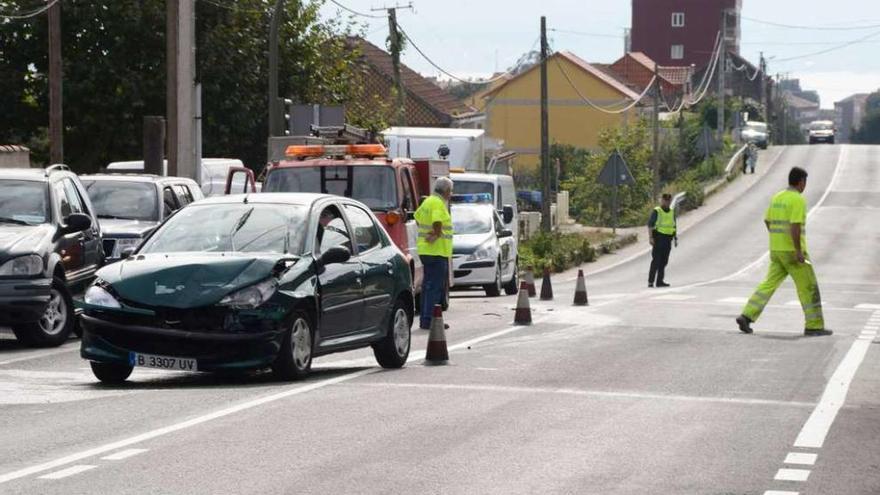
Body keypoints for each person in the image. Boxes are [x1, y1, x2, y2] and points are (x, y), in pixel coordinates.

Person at [736, 167, 832, 337]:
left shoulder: (777, 197)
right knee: (808, 287)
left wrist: (777, 239)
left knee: (768, 284)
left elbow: (767, 220)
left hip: (776, 250)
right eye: (805, 182)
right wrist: (798, 251)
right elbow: (795, 226)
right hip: (793, 252)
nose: (805, 185)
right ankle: (814, 325)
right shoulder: (797, 200)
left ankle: (747, 315)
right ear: (801, 182)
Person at [415, 176, 454, 329]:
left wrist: (427, 233)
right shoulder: (438, 203)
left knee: (427, 286)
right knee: (435, 287)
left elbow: (417, 217)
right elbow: (437, 222)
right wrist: (435, 234)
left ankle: (425, 319)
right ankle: (431, 320)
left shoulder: (428, 201)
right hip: (437, 251)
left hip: (425, 250)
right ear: (445, 191)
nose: (450, 194)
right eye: (450, 191)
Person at [648, 193, 677, 288]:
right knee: (656, 261)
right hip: (658, 238)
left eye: (668, 201)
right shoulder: (657, 211)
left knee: (664, 261)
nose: (667, 202)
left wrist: (675, 238)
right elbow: (650, 225)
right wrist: (651, 237)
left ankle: (660, 281)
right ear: (662, 200)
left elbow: (674, 225)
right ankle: (651, 282)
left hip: (668, 239)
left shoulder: (672, 211)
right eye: (665, 200)